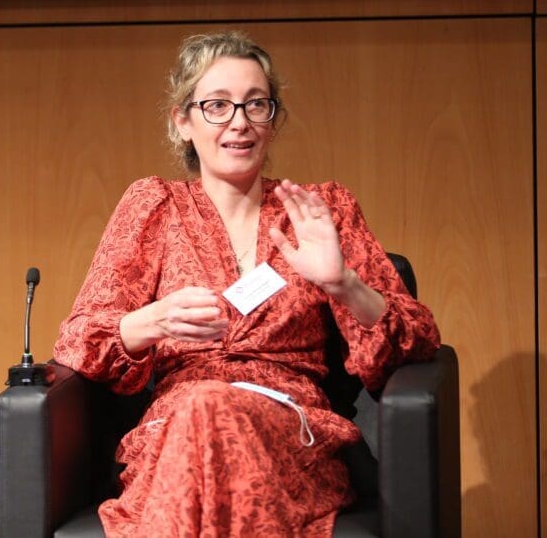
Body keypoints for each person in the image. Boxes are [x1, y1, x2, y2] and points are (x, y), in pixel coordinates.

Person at [53, 31, 440, 536]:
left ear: (272, 121)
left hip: (288, 433)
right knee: (202, 410)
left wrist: (344, 283)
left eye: (256, 105)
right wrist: (150, 321)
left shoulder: (321, 209)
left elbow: (416, 337)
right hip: (175, 431)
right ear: (183, 121)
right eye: (217, 105)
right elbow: (78, 340)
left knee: (211, 414)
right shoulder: (153, 207)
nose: (239, 122)